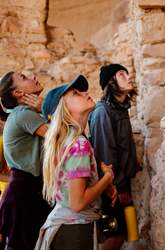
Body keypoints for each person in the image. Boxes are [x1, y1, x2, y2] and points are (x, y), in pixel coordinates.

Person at [35, 75, 116, 250]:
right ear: (63, 109)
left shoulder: (68, 140)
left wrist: (98, 177)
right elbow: (78, 203)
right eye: (75, 93)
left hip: (64, 228)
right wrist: (107, 178)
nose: (85, 93)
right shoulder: (78, 144)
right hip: (74, 232)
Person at [0, 71, 51, 250]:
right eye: (24, 77)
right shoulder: (23, 114)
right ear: (18, 93)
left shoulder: (28, 114)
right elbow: (61, 137)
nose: (32, 76)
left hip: (29, 192)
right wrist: (47, 107)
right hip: (24, 196)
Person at [89, 64, 138, 249]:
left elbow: (123, 145)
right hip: (113, 188)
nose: (128, 76)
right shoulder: (103, 112)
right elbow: (105, 155)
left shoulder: (120, 108)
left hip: (123, 182)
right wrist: (119, 186)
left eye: (127, 72)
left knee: (126, 233)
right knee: (114, 236)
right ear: (111, 82)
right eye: (121, 74)